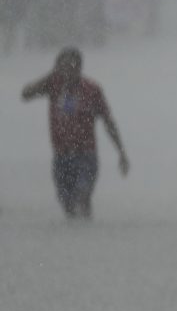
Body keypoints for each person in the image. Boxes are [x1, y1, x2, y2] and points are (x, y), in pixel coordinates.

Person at [21, 46, 129, 218]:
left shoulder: (92, 90)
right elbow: (25, 94)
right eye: (62, 67)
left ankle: (87, 237)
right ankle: (75, 239)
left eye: (71, 67)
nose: (67, 72)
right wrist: (50, 75)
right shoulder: (53, 84)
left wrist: (121, 152)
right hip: (61, 157)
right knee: (68, 205)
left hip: (86, 156)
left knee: (83, 197)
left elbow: (108, 122)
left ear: (79, 67)